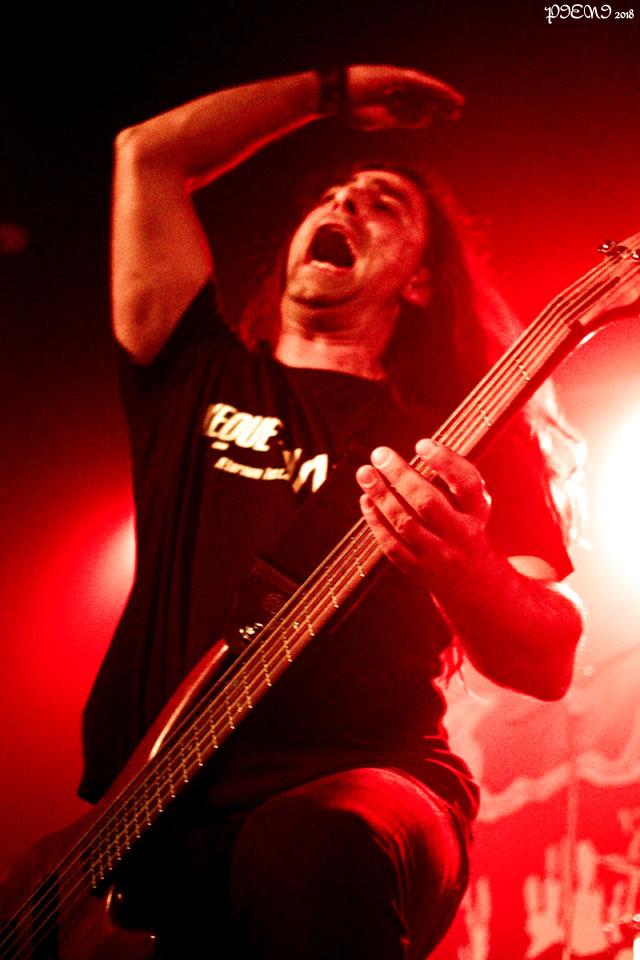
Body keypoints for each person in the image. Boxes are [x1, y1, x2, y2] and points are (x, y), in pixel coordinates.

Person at [80, 66, 584, 959]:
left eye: (383, 204)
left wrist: (465, 569)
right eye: (333, 193)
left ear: (419, 282)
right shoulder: (193, 374)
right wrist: (329, 90)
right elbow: (147, 152)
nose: (347, 202)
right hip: (149, 823)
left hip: (369, 782)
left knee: (312, 844)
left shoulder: (463, 437)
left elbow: (547, 659)